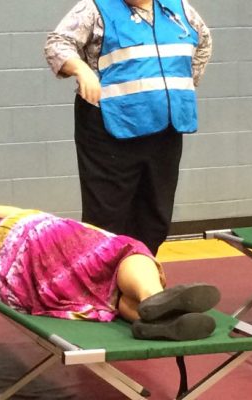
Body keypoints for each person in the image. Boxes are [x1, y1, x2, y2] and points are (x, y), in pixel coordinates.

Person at [44, 0, 212, 255]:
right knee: (107, 221)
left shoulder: (180, 9)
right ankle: (104, 286)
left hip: (165, 129)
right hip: (110, 130)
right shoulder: (95, 8)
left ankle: (139, 283)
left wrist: (179, 90)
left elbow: (203, 42)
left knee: (155, 218)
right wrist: (81, 70)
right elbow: (57, 43)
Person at [0, 203, 221, 340]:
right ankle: (153, 298)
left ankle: (155, 318)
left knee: (105, 298)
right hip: (30, 237)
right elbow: (29, 215)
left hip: (16, 278)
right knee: (120, 252)